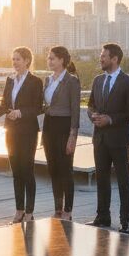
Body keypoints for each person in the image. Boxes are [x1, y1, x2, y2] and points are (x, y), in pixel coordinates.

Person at [86, 42, 129, 232]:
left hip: (118, 139)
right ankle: (103, 217)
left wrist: (110, 119)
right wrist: (93, 115)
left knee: (124, 180)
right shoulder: (98, 80)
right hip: (99, 138)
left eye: (103, 56)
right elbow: (90, 105)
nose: (100, 58)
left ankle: (126, 221)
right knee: (102, 179)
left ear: (114, 59)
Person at [0, 47, 45, 223]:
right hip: (11, 132)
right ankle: (19, 210)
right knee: (16, 171)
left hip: (28, 132)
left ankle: (29, 212)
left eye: (18, 59)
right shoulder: (10, 80)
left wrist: (20, 113)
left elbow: (38, 107)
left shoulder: (35, 81)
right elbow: (4, 104)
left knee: (27, 171)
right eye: (13, 59)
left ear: (27, 61)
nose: (14, 62)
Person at [40, 45, 81, 220]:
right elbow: (46, 105)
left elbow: (75, 110)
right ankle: (57, 208)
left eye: (52, 58)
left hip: (65, 127)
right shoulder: (47, 80)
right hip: (49, 126)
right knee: (53, 168)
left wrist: (73, 136)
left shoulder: (72, 81)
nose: (49, 61)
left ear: (62, 60)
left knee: (65, 169)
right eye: (48, 58)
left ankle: (68, 210)